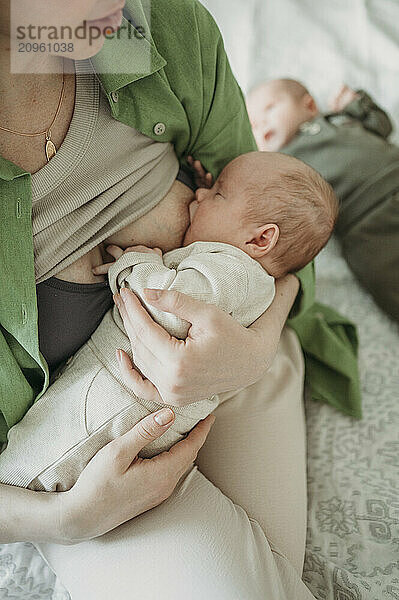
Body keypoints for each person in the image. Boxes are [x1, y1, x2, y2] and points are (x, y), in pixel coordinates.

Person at [0, 0, 357, 597]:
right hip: (90, 442)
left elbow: (286, 226)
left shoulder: (145, 21)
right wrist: (63, 519)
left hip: (241, 346)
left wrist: (256, 345)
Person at [0, 151, 338, 493]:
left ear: (260, 239)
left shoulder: (236, 272)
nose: (201, 193)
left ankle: (17, 488)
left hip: (124, 399)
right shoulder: (238, 272)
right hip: (127, 390)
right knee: (49, 433)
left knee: (48, 450)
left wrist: (136, 264)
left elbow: (170, 304)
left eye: (218, 193)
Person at [247, 78, 399, 321]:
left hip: (393, 176)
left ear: (309, 106)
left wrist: (357, 103)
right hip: (364, 226)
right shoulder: (281, 168)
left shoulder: (336, 120)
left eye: (270, 108)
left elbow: (381, 125)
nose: (262, 123)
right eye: (253, 125)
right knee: (384, 276)